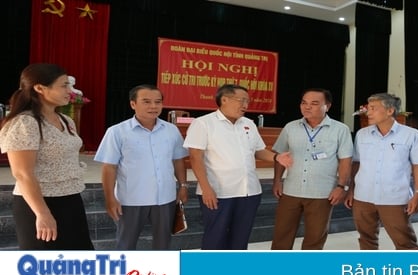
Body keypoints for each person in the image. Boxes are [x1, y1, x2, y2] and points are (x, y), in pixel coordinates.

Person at [184, 84, 292, 250]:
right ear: (224, 99)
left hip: (249, 192)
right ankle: (209, 274)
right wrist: (206, 188)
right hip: (219, 192)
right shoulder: (203, 123)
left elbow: (259, 151)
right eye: (241, 100)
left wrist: (277, 157)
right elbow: (195, 158)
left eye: (247, 101)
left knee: (240, 238)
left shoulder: (248, 124)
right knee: (215, 238)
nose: (245, 105)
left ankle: (235, 273)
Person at [0, 63, 94, 249]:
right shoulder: (25, 123)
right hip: (40, 202)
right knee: (46, 268)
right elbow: (22, 173)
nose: (70, 91)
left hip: (71, 198)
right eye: (64, 85)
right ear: (40, 88)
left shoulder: (66, 121)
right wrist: (42, 213)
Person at [94, 84, 188, 250]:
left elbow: (178, 160)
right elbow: (109, 168)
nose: (153, 106)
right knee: (126, 244)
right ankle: (124, 274)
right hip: (131, 199)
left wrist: (183, 186)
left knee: (163, 244)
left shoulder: (171, 130)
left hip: (165, 198)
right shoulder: (117, 132)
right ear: (133, 104)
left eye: (157, 102)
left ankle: (161, 274)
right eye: (146, 101)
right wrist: (109, 198)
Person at [271, 88, 353, 250]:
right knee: (281, 235)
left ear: (327, 106)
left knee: (315, 238)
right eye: (304, 103)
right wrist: (277, 181)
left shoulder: (340, 129)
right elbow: (281, 156)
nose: (307, 107)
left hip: (322, 193)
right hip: (291, 191)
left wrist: (341, 186)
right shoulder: (290, 127)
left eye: (314, 103)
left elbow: (346, 161)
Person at [344, 93, 418, 250]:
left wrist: (417, 193)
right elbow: (356, 163)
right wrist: (351, 190)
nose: (368, 112)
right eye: (368, 109)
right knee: (366, 239)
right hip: (363, 197)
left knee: (404, 241)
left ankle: (410, 272)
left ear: (390, 111)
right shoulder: (362, 134)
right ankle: (369, 271)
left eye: (373, 108)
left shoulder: (412, 135)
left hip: (394, 198)